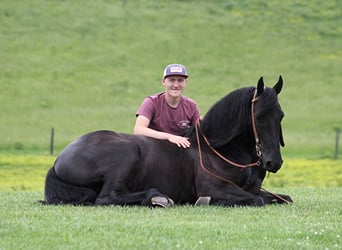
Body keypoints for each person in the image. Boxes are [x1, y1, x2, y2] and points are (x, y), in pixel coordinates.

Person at [134, 63, 200, 148]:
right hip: (152, 151)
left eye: (180, 80)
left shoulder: (191, 106)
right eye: (172, 80)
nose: (176, 85)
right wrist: (169, 137)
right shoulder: (151, 102)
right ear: (163, 82)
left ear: (186, 83)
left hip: (179, 154)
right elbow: (139, 130)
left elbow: (200, 132)